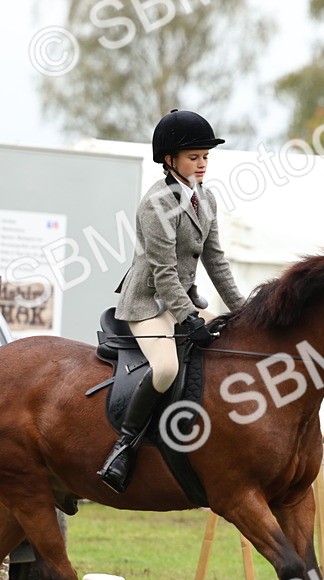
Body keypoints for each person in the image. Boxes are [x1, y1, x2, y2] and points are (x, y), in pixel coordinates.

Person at [97, 109, 247, 491]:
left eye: (205, 157)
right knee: (165, 369)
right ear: (170, 160)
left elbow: (215, 260)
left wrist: (243, 310)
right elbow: (163, 273)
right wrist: (190, 319)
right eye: (193, 157)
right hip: (147, 303)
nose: (201, 164)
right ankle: (124, 446)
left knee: (229, 347)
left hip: (184, 299)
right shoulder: (156, 204)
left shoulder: (206, 198)